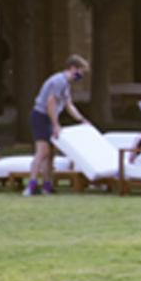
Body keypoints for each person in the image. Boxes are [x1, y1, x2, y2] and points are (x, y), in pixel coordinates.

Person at [27, 55, 90, 197]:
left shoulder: (66, 84)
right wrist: (56, 125)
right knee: (42, 152)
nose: (81, 75)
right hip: (41, 117)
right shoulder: (58, 81)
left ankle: (47, 185)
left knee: (51, 155)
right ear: (72, 68)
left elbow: (69, 105)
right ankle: (31, 184)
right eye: (80, 71)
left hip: (49, 118)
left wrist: (82, 120)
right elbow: (51, 103)